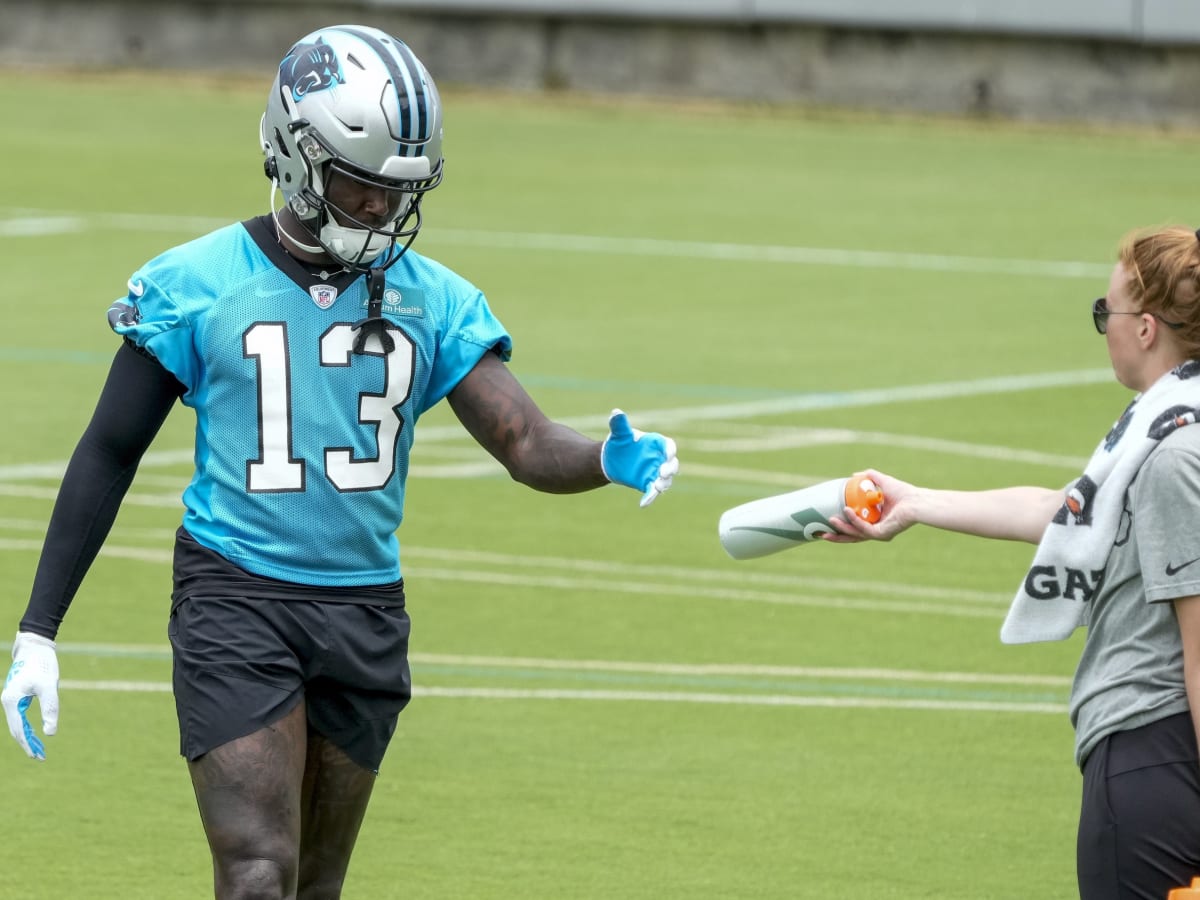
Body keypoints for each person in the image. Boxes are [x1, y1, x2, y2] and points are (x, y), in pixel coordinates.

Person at [0, 24, 679, 900]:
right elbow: (108, 451)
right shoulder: (196, 282)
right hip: (235, 599)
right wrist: (38, 632)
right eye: (361, 186)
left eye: (398, 193)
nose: (380, 212)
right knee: (256, 872)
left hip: (365, 609)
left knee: (316, 885)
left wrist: (602, 459)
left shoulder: (433, 297)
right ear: (294, 153)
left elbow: (523, 441)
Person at [826, 224, 1200, 900]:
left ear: (1146, 329)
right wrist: (917, 505)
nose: (1102, 327)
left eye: (1103, 312)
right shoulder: (1161, 426)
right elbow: (1068, 511)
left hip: (1156, 754)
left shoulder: (1176, 453)